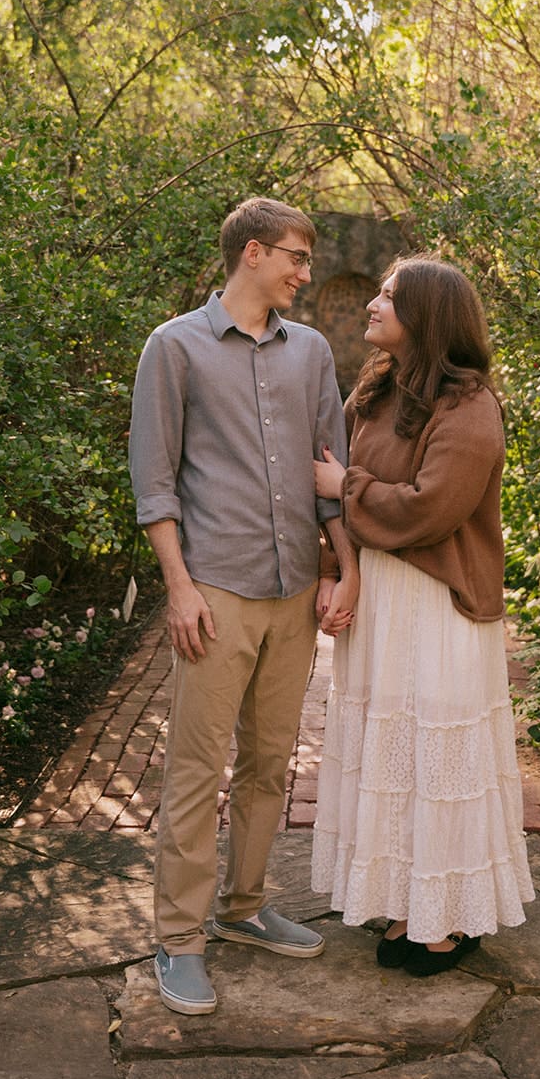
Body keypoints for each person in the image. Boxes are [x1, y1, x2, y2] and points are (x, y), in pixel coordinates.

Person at [129, 197, 357, 1015]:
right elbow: (154, 481)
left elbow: (330, 470)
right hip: (216, 589)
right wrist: (179, 588)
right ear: (253, 253)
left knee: (270, 762)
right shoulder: (174, 347)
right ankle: (179, 940)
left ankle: (245, 907)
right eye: (296, 257)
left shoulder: (314, 353)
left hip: (295, 586)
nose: (306, 272)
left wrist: (341, 567)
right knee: (197, 769)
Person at [311, 255, 534, 976]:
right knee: (393, 756)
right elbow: (339, 505)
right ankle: (410, 901)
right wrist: (334, 572)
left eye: (388, 295)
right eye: (376, 291)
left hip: (438, 610)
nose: (372, 304)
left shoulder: (470, 407)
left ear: (428, 317)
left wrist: (345, 482)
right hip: (379, 600)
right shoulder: (375, 394)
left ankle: (450, 918)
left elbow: (433, 508)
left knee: (437, 759)